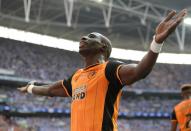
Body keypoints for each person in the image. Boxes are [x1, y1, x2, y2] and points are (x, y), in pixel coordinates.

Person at [18, 9, 187, 131]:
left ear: (102, 47)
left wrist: (156, 43)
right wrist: (30, 88)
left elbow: (139, 72)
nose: (83, 37)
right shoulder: (76, 77)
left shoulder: (109, 69)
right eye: (85, 36)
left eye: (92, 36)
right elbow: (50, 90)